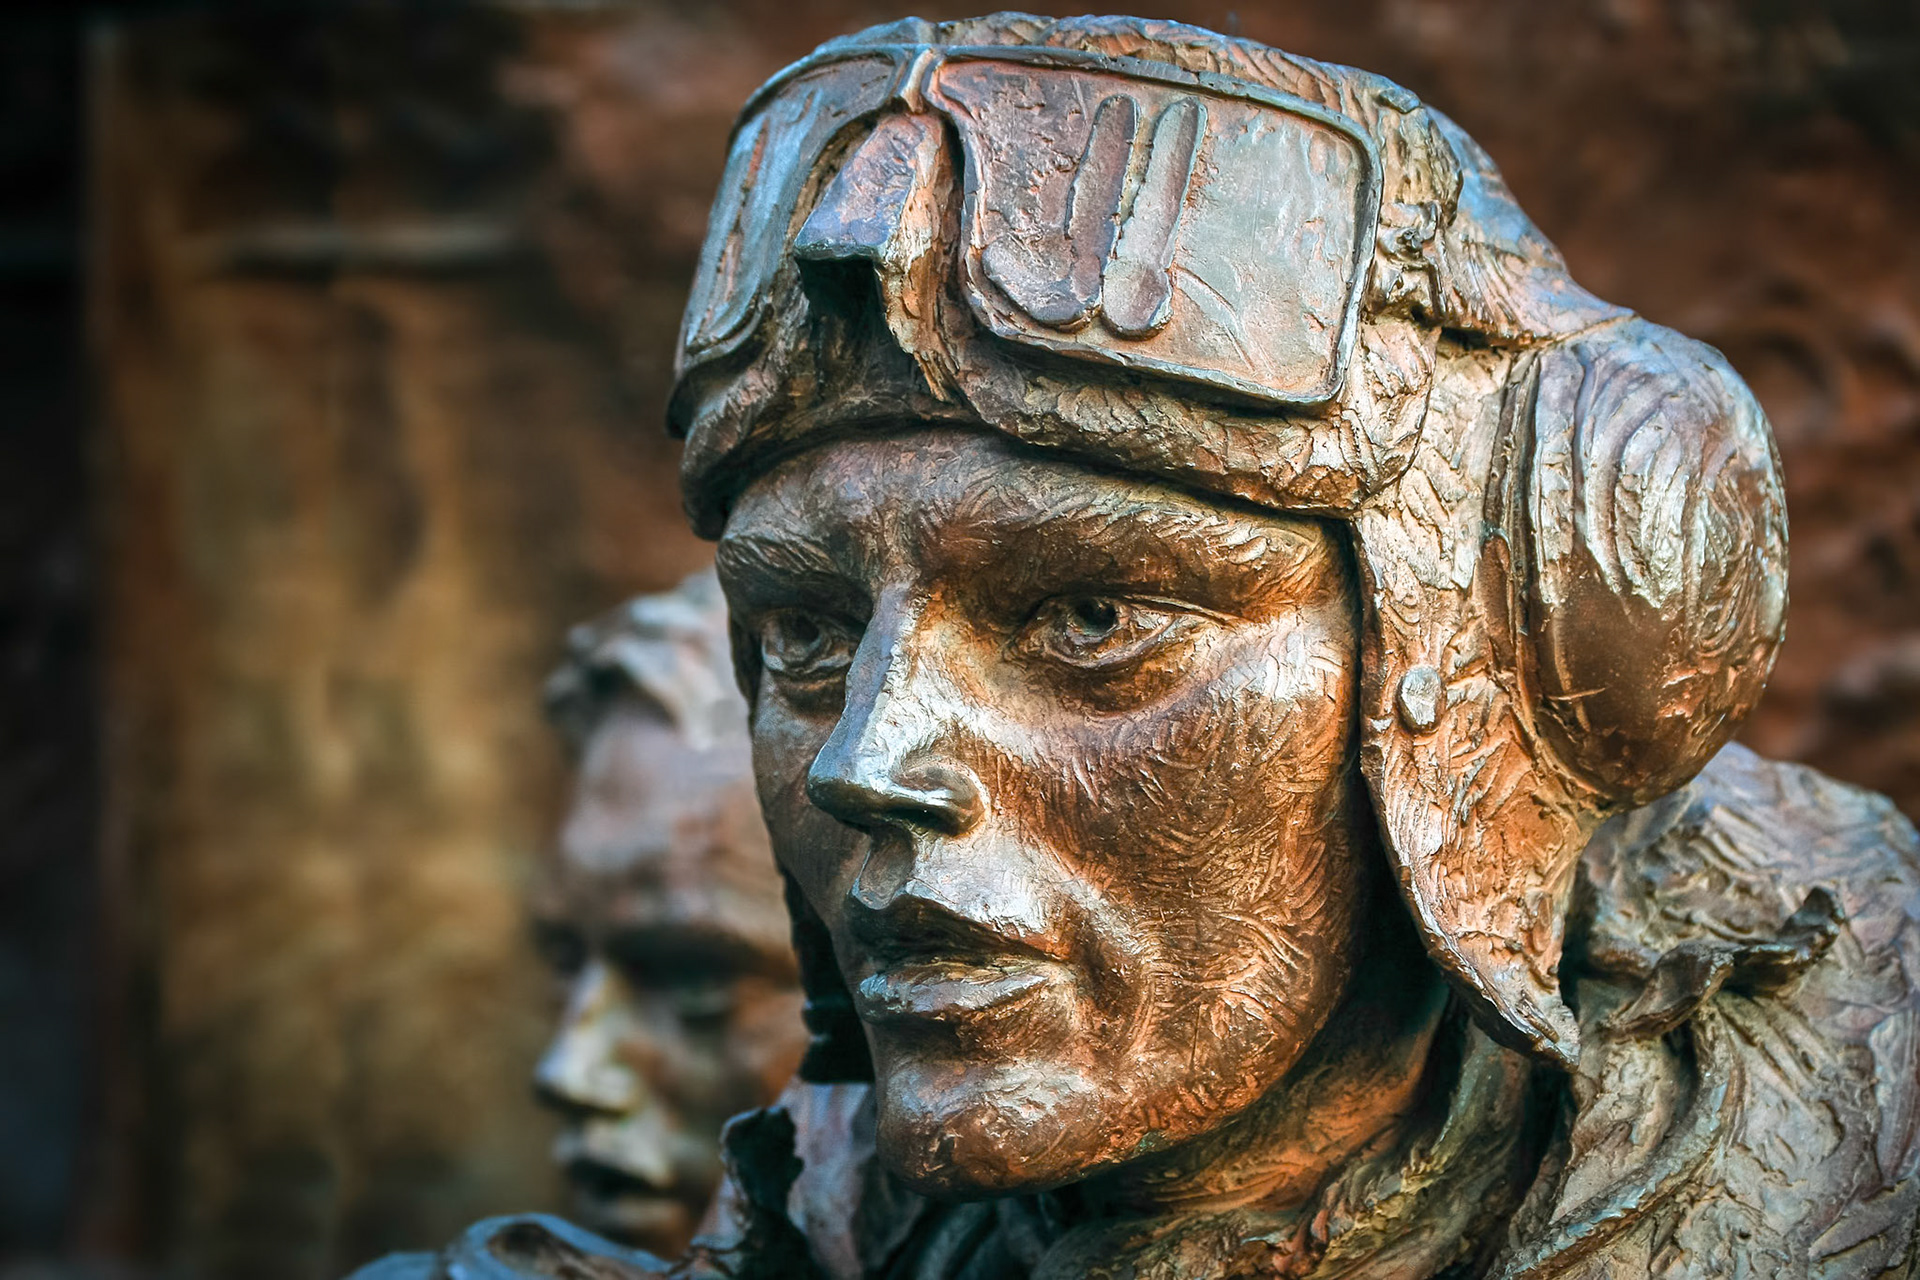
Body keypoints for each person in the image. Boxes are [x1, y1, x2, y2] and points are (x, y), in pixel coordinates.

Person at [355, 14, 1920, 1279]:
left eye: (1092, 618)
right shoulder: (858, 1190)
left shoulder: (1867, 1135)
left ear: (1472, 658)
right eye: (808, 636)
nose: (863, 764)